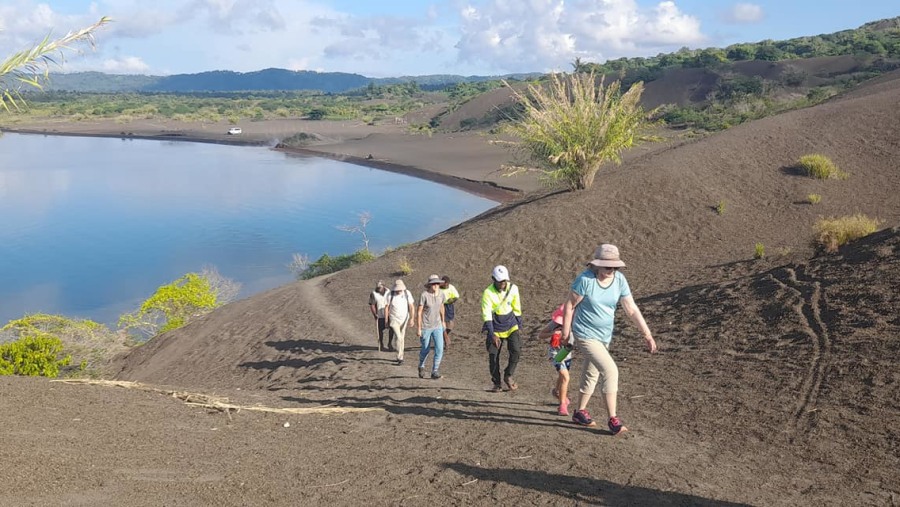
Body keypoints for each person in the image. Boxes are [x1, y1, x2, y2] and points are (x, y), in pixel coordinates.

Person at [561, 244, 657, 435]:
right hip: (584, 333)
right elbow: (569, 306)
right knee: (610, 370)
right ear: (596, 265)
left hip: (604, 335)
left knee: (592, 371)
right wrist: (565, 334)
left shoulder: (620, 280)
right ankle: (613, 419)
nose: (610, 270)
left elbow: (631, 308)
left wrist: (647, 334)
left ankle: (579, 412)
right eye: (606, 266)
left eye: (614, 267)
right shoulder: (585, 280)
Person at [481, 265, 523, 392]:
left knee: (516, 351)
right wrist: (492, 333)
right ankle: (497, 383)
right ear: (493, 279)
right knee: (493, 356)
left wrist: (519, 324)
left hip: (511, 324)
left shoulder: (513, 289)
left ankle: (508, 375)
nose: (503, 284)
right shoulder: (487, 293)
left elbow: (517, 307)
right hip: (495, 327)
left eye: (505, 281)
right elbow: (486, 314)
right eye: (500, 281)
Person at [538, 304, 573, 416]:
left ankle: (557, 392)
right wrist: (553, 333)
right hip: (556, 353)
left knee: (562, 376)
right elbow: (541, 334)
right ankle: (562, 405)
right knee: (565, 377)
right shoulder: (555, 324)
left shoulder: (576, 324)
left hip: (566, 352)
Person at [417, 274, 446, 379]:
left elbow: (442, 306)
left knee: (439, 348)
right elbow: (419, 312)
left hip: (437, 325)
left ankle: (435, 371)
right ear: (429, 285)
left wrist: (443, 321)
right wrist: (419, 328)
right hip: (426, 326)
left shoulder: (442, 294)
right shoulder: (424, 295)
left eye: (437, 283)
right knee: (425, 349)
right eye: (434, 284)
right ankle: (421, 365)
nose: (436, 286)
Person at [385, 279, 415, 365]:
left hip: (404, 318)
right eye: (397, 289)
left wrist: (412, 318)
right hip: (394, 319)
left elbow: (411, 306)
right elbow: (386, 307)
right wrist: (386, 320)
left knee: (402, 337)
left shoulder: (407, 293)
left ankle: (400, 356)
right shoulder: (390, 294)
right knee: (398, 337)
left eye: (400, 289)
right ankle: (400, 357)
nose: (399, 291)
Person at [368, 280, 390, 351]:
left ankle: (390, 343)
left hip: (389, 314)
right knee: (380, 331)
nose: (378, 288)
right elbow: (372, 305)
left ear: (383, 286)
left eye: (380, 287)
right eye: (378, 287)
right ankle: (381, 344)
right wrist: (375, 314)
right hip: (380, 315)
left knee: (392, 329)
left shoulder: (388, 292)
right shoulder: (373, 293)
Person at [440, 275, 460, 342]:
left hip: (449, 306)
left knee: (450, 324)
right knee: (442, 322)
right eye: (444, 283)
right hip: (440, 306)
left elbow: (456, 296)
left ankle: (445, 335)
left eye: (446, 284)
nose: (445, 285)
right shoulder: (438, 288)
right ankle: (445, 337)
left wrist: (452, 300)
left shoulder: (451, 287)